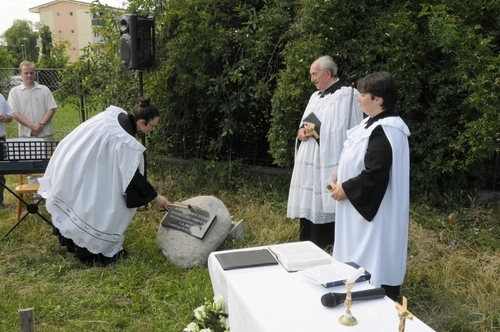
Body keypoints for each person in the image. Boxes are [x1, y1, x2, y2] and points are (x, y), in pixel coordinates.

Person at [38, 96, 172, 266]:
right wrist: (155, 197)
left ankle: (74, 243)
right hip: (90, 169)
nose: (152, 129)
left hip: (78, 164)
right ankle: (90, 253)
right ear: (142, 122)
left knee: (79, 200)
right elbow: (131, 177)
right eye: (152, 126)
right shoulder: (125, 141)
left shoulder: (114, 117)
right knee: (98, 207)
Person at [330, 71, 410, 301]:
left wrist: (347, 187)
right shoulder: (371, 123)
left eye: (363, 94)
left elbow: (376, 172)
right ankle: (351, 286)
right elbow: (360, 155)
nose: (358, 98)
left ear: (378, 100)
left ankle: (372, 294)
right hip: (361, 206)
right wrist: (342, 171)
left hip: (377, 212)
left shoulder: (388, 129)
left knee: (373, 254)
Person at [287, 55, 363, 249]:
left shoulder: (347, 95)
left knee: (326, 198)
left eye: (315, 74)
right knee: (311, 199)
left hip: (329, 157)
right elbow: (305, 123)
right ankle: (307, 242)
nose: (312, 79)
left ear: (327, 73)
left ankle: (327, 243)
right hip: (310, 158)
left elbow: (347, 129)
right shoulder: (315, 96)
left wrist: (315, 130)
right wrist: (302, 131)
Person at [7, 61, 57, 140]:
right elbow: (15, 113)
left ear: (35, 73)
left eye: (31, 73)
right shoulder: (14, 92)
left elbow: (52, 109)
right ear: (20, 74)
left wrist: (40, 126)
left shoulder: (45, 90)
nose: (29, 75)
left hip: (46, 134)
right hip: (26, 135)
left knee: (49, 153)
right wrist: (32, 126)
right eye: (26, 73)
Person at [0, 94, 14, 209]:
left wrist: (4, 118)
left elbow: (10, 117)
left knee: (0, 172)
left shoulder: (0, 97)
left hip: (0, 139)